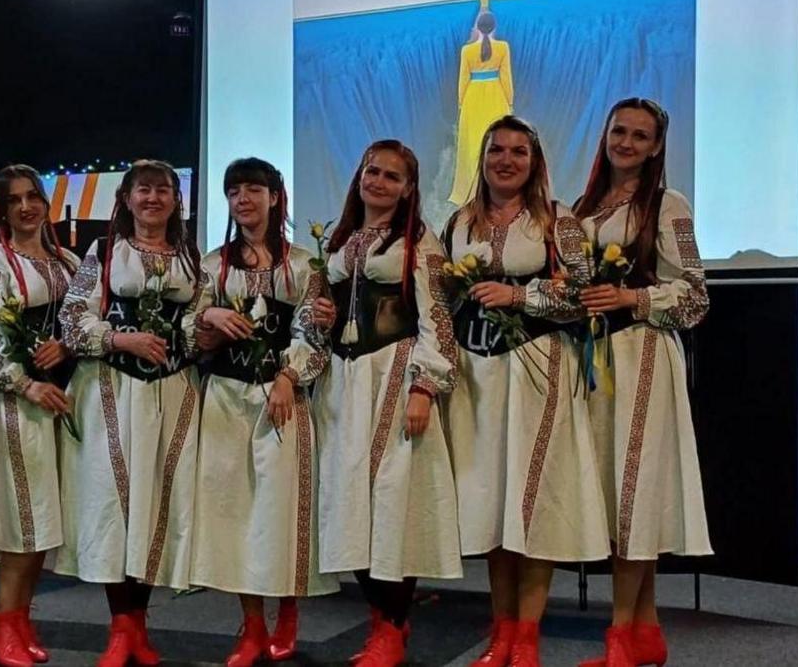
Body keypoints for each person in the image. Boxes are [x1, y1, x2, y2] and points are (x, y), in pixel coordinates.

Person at [444, 116, 609, 667]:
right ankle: (500, 629)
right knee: (493, 502)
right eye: (497, 150)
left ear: (535, 161)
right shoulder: (459, 222)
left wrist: (519, 298)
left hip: (538, 369)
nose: (506, 160)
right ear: (483, 157)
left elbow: (583, 296)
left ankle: (527, 636)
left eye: (519, 151)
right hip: (478, 374)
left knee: (531, 501)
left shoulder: (559, 222)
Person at [573, 98, 712, 667]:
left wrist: (634, 297)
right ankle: (646, 630)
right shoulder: (583, 208)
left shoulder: (667, 204)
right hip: (593, 359)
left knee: (633, 492)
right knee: (614, 495)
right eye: (618, 131)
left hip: (642, 356)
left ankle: (618, 636)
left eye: (639, 135)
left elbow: (697, 295)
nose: (625, 142)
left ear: (656, 146)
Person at [185, 158, 339, 666]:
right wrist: (207, 317)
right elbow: (188, 328)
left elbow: (316, 337)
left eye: (254, 189)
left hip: (282, 398)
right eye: (234, 192)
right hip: (225, 399)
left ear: (275, 197)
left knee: (281, 508)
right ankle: (250, 625)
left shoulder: (302, 264)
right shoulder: (213, 264)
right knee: (234, 511)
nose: (243, 199)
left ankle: (287, 613)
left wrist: (288, 379)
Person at [315, 139, 462, 667]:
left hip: (395, 375)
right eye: (372, 172)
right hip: (344, 381)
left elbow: (438, 322)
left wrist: (424, 386)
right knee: (349, 503)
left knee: (393, 502)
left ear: (408, 189)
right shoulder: (341, 238)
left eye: (392, 176)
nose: (378, 182)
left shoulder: (420, 243)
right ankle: (381, 621)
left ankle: (394, 628)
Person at [55, 160, 202, 667]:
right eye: (144, 189)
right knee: (114, 504)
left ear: (176, 200)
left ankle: (140, 626)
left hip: (172, 391)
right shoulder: (101, 254)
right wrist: (123, 338)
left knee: (156, 503)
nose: (153, 198)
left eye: (164, 190)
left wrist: (201, 335)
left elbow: (193, 328)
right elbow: (72, 324)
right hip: (112, 389)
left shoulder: (190, 258)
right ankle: (120, 628)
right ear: (127, 198)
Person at [0, 164, 79, 667]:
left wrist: (67, 346)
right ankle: (3, 620)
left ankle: (20, 617)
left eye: (33, 197)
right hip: (16, 403)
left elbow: (83, 324)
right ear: (2, 210)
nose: (27, 206)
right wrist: (25, 383)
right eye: (15, 200)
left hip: (60, 402)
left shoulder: (68, 260)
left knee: (45, 521)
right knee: (21, 519)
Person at [449, 2, 515, 206]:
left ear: (477, 27)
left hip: (473, 98)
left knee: (472, 145)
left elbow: (462, 81)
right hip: (495, 95)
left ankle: (471, 191)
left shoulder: (466, 50)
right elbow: (507, 79)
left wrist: (462, 105)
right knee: (497, 141)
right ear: (494, 27)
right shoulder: (503, 47)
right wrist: (509, 103)